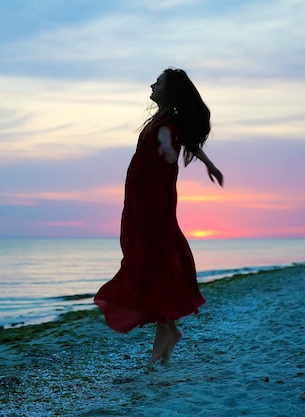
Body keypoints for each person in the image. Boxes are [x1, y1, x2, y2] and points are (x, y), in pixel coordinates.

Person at [94, 68, 224, 365]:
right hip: (141, 195)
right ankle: (168, 329)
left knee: (153, 253)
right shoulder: (163, 118)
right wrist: (209, 164)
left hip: (154, 195)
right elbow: (188, 143)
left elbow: (171, 137)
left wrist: (167, 147)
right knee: (149, 253)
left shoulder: (169, 122)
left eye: (159, 82)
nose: (152, 84)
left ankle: (165, 332)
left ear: (170, 90)